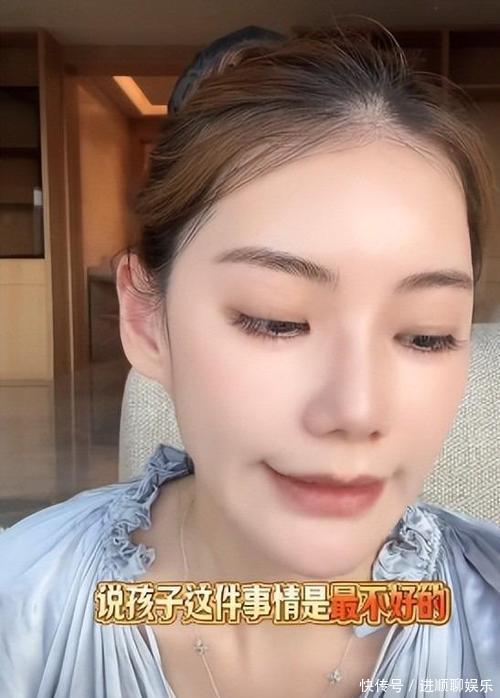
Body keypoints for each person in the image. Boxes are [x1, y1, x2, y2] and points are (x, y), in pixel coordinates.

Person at [1, 16, 499, 698]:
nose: (357, 410)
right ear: (147, 320)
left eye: (426, 335)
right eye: (276, 321)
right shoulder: (24, 607)